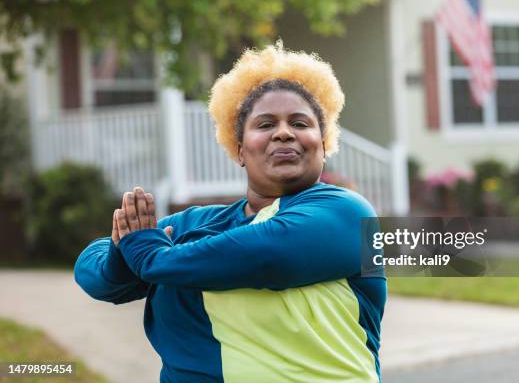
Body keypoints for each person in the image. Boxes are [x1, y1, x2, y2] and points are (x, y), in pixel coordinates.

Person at [74, 42, 387, 382]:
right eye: (265, 124)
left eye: (299, 123)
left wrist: (148, 255)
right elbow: (92, 267)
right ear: (239, 150)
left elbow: (269, 255)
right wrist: (123, 253)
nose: (283, 132)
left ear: (324, 144)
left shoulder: (348, 214)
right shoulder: (200, 224)